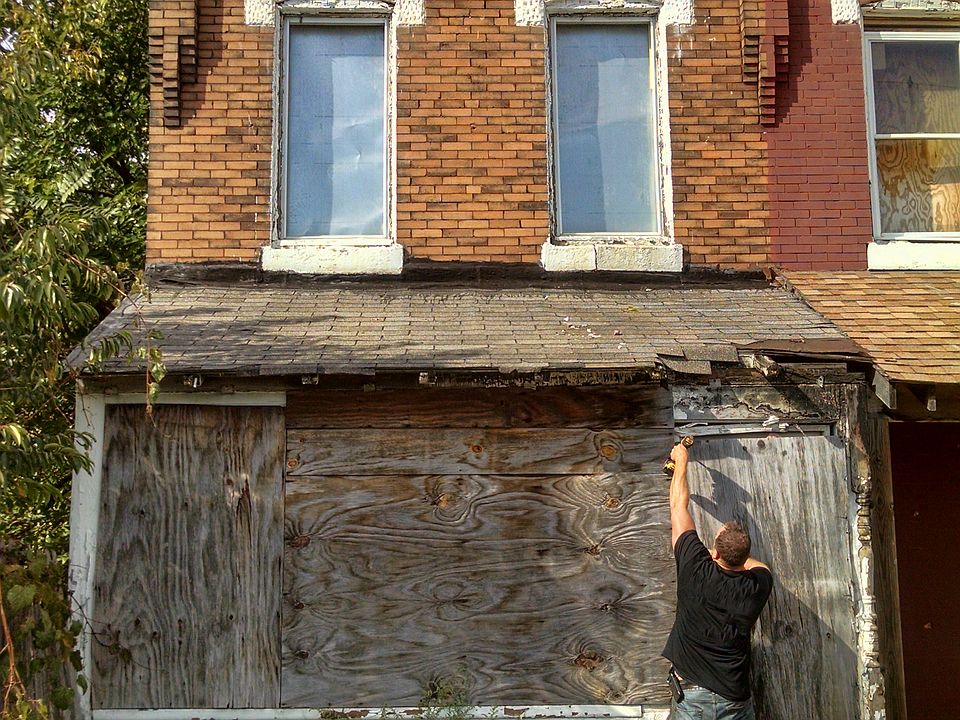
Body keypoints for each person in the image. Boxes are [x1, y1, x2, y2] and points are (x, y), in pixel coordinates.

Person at [662, 441, 773, 720]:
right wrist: (738, 556)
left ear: (714, 552)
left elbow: (678, 506)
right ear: (744, 558)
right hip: (734, 699)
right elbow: (761, 566)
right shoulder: (756, 586)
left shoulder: (695, 567)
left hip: (692, 698)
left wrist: (681, 460)